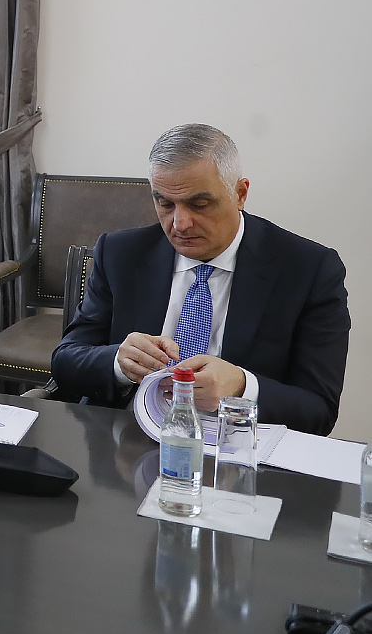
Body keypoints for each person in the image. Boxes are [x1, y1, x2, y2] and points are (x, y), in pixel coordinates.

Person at [51, 124, 350, 435]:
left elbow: (319, 411)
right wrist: (118, 362)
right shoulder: (120, 253)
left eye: (200, 204)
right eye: (165, 204)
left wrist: (242, 387)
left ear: (240, 194)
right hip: (125, 440)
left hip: (237, 446)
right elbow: (65, 361)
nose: (180, 224)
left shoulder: (309, 269)